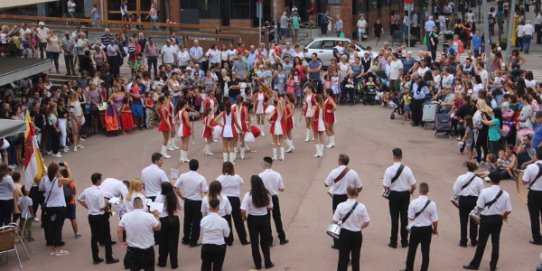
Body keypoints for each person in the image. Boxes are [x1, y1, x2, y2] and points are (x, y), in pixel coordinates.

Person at [463, 173, 512, 270]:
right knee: (495, 242)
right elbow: (508, 210)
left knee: (481, 242)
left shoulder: (485, 192)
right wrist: (503, 216)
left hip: (486, 219)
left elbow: (480, 206)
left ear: (490, 180)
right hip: (498, 219)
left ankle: (475, 264)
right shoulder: (505, 193)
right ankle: (493, 265)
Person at [77, 172, 119, 265]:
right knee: (107, 236)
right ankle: (109, 257)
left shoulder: (87, 190)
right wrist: (108, 203)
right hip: (100, 216)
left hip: (91, 215)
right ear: (98, 181)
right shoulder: (99, 192)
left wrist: (88, 207)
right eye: (100, 179)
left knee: (94, 237)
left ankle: (95, 258)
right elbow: (101, 207)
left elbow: (79, 199)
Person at [324, 154, 363, 249]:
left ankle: (337, 242)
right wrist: (354, 194)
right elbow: (360, 187)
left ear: (340, 161)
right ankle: (348, 239)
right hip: (349, 197)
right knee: (348, 217)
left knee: (336, 218)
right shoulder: (353, 173)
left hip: (337, 198)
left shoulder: (333, 172)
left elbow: (326, 184)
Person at [383, 148, 417, 248]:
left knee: (394, 219)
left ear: (393, 156)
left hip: (393, 195)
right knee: (404, 218)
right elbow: (414, 185)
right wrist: (410, 192)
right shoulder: (407, 169)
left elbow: (386, 186)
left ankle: (393, 242)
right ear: (401, 157)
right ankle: (404, 241)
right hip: (405, 195)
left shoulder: (389, 170)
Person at [401, 183, 439, 271]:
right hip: (427, 229)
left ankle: (409, 268)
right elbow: (435, 220)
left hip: (416, 228)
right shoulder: (432, 204)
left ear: (419, 191)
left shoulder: (413, 203)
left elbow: (410, 217)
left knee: (412, 249)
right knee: (425, 250)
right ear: (428, 191)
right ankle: (423, 269)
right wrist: (435, 230)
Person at [117, 197, 161, 271]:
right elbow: (158, 228)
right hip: (147, 250)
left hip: (132, 250)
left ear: (133, 205)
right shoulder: (149, 216)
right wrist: (156, 216)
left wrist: (122, 242)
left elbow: (119, 230)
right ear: (142, 205)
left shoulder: (125, 216)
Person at [39, 161, 73, 256]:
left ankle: (54, 246)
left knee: (52, 226)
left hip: (49, 207)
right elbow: (70, 179)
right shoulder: (59, 180)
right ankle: (57, 248)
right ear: (56, 171)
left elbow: (41, 188)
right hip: (59, 207)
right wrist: (67, 167)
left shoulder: (44, 179)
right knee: (58, 227)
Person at [333, 184, 370, 271]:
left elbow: (335, 220)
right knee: (356, 259)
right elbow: (367, 222)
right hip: (357, 234)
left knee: (343, 259)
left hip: (345, 234)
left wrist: (340, 223)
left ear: (347, 193)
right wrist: (360, 227)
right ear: (357, 193)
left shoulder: (341, 206)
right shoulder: (362, 206)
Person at [241, 175, 274, 269]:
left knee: (254, 243)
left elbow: (243, 210)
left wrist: (245, 218)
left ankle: (258, 264)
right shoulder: (266, 194)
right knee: (265, 241)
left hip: (252, 219)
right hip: (264, 218)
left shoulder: (248, 195)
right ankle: (268, 262)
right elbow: (271, 207)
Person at [174, 159, 208, 247]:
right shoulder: (201, 178)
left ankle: (186, 238)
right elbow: (205, 191)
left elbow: (176, 186)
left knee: (187, 220)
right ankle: (193, 240)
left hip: (187, 200)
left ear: (189, 166)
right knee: (196, 221)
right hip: (197, 201)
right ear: (198, 167)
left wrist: (181, 196)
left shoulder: (183, 176)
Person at [216, 162, 250, 246]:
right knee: (238, 220)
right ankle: (243, 239)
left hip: (224, 199)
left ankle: (228, 240)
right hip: (235, 199)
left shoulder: (220, 178)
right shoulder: (236, 177)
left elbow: (216, 185)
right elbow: (241, 182)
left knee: (227, 219)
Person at [258, 156, 289, 246]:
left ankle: (269, 240)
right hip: (274, 197)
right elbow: (282, 188)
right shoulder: (277, 174)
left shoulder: (260, 176)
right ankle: (282, 238)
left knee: (266, 219)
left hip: (265, 198)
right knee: (277, 218)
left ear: (264, 164)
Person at [453, 162, 484, 247]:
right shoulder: (479, 180)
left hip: (463, 199)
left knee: (463, 221)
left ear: (467, 168)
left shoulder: (461, 177)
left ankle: (463, 241)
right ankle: (473, 240)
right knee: (474, 221)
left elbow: (456, 189)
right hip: (474, 200)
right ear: (475, 168)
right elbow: (482, 192)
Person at [155, 182, 182, 269]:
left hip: (163, 220)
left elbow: (156, 210)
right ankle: (174, 263)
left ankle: (162, 262)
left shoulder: (159, 197)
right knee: (173, 242)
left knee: (163, 242)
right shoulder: (175, 196)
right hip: (174, 219)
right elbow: (181, 207)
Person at [200, 198, 230, 271]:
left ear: (209, 207)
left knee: (205, 267)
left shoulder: (204, 220)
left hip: (206, 245)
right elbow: (227, 234)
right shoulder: (223, 221)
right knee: (217, 267)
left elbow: (202, 232)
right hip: (219, 246)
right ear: (218, 207)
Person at [522, 146, 542, 245]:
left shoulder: (531, 167)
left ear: (536, 156)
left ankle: (537, 238)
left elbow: (524, 182)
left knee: (534, 216)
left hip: (534, 193)